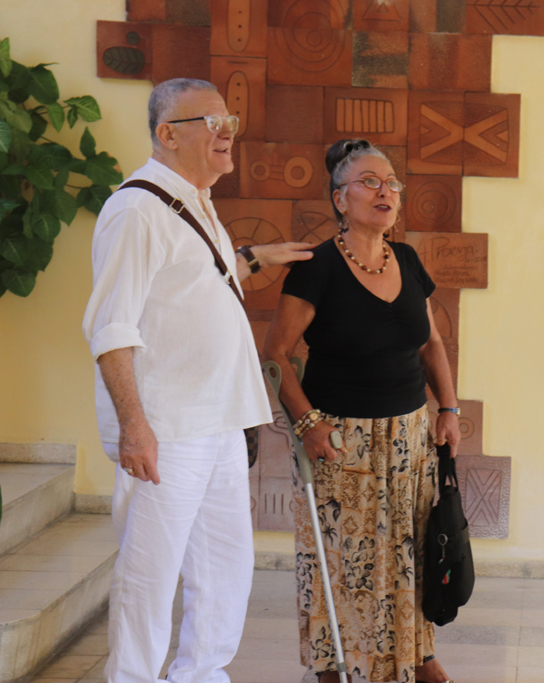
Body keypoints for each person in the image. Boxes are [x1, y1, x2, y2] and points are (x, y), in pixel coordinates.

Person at [82, 78, 313, 683]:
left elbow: (192, 286)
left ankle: (201, 675)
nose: (227, 133)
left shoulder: (192, 201)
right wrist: (135, 426)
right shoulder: (135, 209)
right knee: (150, 574)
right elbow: (112, 327)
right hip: (167, 428)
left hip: (217, 422)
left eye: (229, 120)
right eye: (212, 123)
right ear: (167, 134)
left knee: (225, 568)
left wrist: (255, 259)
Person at [263, 139, 460, 683]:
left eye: (392, 182)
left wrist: (449, 407)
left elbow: (431, 345)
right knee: (345, 561)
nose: (386, 191)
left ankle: (417, 654)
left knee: (409, 551)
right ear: (340, 199)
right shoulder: (317, 268)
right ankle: (336, 664)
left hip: (409, 437)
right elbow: (277, 353)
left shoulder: (410, 260)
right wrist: (307, 425)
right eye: (370, 182)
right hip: (340, 439)